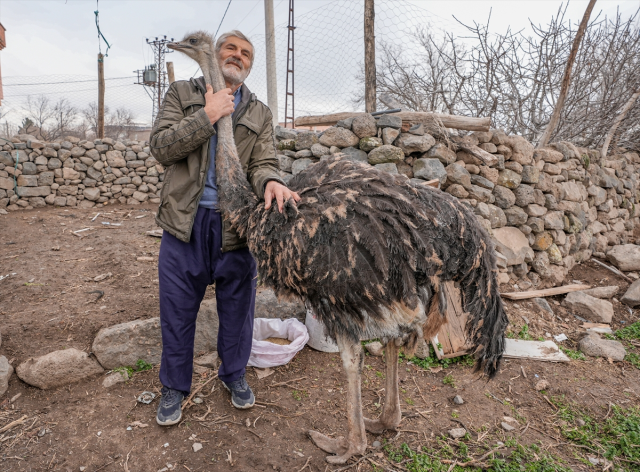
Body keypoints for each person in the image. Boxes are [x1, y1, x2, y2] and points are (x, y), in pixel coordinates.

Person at [149, 30, 300, 426]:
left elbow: (263, 162)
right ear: (216, 55)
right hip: (185, 223)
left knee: (238, 310)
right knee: (177, 310)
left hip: (237, 225)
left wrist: (269, 180)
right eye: (231, 48)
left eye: (245, 53)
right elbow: (162, 147)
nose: (238, 56)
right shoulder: (183, 94)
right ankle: (175, 386)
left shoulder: (260, 113)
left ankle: (233, 375)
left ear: (249, 63)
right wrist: (207, 114)